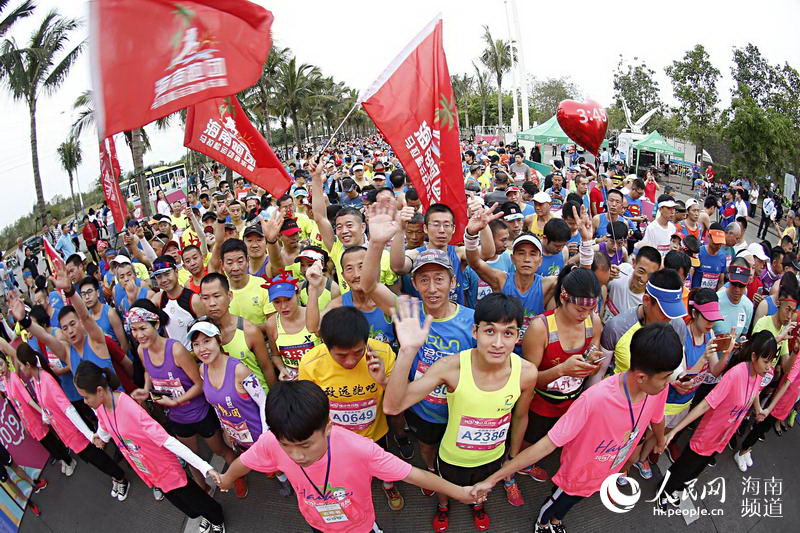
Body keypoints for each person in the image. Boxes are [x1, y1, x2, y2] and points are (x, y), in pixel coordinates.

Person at [471, 323, 682, 532]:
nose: (668, 382)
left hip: (606, 470)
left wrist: (661, 440)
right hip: (577, 475)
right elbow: (547, 444)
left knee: (572, 504)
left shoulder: (657, 390)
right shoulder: (595, 399)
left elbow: (657, 417)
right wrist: (494, 479)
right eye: (665, 377)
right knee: (560, 501)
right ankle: (543, 523)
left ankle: (556, 521)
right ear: (642, 377)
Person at [219, 380, 480, 533]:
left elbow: (414, 474)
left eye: (306, 445)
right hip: (316, 522)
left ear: (329, 427)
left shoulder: (359, 449)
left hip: (359, 525)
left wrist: (459, 492)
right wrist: (227, 478)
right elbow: (244, 462)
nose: (296, 456)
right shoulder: (271, 442)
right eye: (287, 446)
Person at [383, 294, 537, 530]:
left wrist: (513, 457)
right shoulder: (451, 367)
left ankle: (477, 505)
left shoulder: (526, 372)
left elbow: (520, 416)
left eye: (507, 333)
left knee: (482, 491)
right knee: (445, 490)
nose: (498, 343)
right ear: (475, 332)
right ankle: (443, 507)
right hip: (452, 456)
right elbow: (393, 406)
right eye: (489, 331)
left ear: (518, 336)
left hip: (493, 456)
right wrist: (408, 350)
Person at [361, 205, 477, 495]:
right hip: (422, 407)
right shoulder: (407, 310)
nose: (432, 287)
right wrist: (376, 244)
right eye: (424, 279)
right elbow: (369, 284)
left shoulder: (472, 321)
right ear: (414, 283)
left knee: (458, 454)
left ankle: (455, 484)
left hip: (460, 410)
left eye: (440, 279)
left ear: (453, 283)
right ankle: (432, 474)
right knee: (426, 446)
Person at [74, 362, 226, 530]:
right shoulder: (101, 408)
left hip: (165, 468)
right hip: (149, 470)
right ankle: (203, 515)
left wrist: (205, 467)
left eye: (86, 397)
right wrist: (100, 438)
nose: (85, 402)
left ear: (100, 391)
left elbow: (167, 440)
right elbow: (105, 426)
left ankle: (216, 519)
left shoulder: (129, 408)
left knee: (192, 497)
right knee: (182, 503)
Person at [126, 300, 243, 496]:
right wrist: (146, 390)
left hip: (199, 413)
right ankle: (204, 491)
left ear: (155, 324)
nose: (138, 335)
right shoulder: (140, 350)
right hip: (177, 417)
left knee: (221, 451)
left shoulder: (176, 349)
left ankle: (237, 479)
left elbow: (199, 384)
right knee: (190, 458)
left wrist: (177, 401)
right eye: (134, 330)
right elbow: (149, 372)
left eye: (142, 328)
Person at [299, 305, 405, 511]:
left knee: (382, 463)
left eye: (358, 352)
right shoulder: (311, 363)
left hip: (376, 432)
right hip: (336, 438)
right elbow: (310, 407)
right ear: (326, 345)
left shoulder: (383, 353)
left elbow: (400, 400)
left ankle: (388, 484)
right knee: (347, 471)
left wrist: (383, 380)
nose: (351, 361)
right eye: (341, 355)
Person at [660, 331, 777, 506]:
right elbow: (706, 404)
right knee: (684, 467)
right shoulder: (735, 374)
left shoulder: (758, 374)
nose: (768, 367)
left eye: (771, 362)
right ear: (754, 357)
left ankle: (677, 491)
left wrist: (759, 409)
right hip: (708, 433)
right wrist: (675, 430)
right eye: (765, 361)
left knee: (697, 469)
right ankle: (663, 493)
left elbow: (755, 392)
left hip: (722, 436)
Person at [520, 266, 604, 484]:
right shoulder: (540, 328)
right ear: (564, 297)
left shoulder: (593, 321)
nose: (584, 315)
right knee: (530, 441)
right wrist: (561, 370)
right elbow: (526, 380)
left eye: (590, 309)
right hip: (540, 403)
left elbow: (593, 352)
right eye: (579, 309)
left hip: (573, 401)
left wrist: (592, 363)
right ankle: (519, 466)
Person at [15, 343, 130, 500]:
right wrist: (45, 417)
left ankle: (120, 478)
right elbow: (46, 406)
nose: (20, 370)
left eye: (21, 366)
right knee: (93, 459)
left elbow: (69, 410)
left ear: (28, 364)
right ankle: (115, 476)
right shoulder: (37, 381)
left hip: (76, 432)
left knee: (97, 458)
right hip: (67, 434)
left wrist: (89, 435)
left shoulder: (47, 380)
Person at [199, 273, 275, 392]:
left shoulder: (249, 330)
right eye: (205, 298)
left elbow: (266, 367)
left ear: (229, 296)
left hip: (257, 399)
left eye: (216, 296)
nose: (212, 303)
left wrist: (274, 400)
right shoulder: (200, 334)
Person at [264, 271, 321, 381]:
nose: (283, 306)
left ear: (298, 294)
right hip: (293, 381)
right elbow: (275, 355)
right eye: (277, 302)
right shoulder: (272, 323)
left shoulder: (315, 316)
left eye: (288, 299)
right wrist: (282, 369)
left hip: (319, 378)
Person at [603, 246, 662, 319]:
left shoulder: (647, 302)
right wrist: (605, 276)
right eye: (641, 271)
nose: (644, 279)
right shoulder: (622, 270)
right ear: (634, 263)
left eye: (650, 275)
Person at [78, 276, 128, 354]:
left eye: (89, 292)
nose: (87, 297)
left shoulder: (110, 313)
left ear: (97, 293)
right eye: (83, 294)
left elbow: (124, 345)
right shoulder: (88, 318)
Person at [690, 223, 727, 290]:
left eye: (720, 243)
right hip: (696, 297)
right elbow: (690, 276)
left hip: (711, 298)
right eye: (716, 243)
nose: (718, 246)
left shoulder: (722, 257)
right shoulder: (698, 253)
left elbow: (721, 282)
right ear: (709, 236)